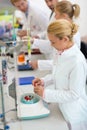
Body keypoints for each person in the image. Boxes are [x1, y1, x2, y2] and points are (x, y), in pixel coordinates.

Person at [32, 19, 87, 130]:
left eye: (53, 42)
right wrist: (44, 80)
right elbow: (58, 73)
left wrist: (45, 93)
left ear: (65, 39)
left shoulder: (77, 62)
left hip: (74, 115)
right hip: (63, 108)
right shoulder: (61, 52)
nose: (51, 45)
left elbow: (74, 94)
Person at [30, 0, 81, 70]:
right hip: (57, 70)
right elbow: (52, 46)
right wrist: (34, 41)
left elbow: (66, 63)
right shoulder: (64, 29)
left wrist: (40, 64)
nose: (55, 17)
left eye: (56, 14)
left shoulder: (72, 35)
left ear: (64, 16)